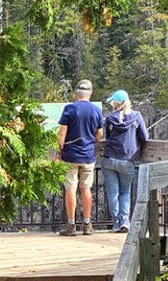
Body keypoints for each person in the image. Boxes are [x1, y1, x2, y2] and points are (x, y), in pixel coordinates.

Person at [57, 80, 104, 233]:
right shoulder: (96, 110)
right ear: (90, 93)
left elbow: (62, 133)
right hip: (88, 155)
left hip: (70, 155)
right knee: (86, 188)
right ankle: (87, 224)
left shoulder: (70, 108)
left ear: (77, 93)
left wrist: (59, 151)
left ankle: (71, 225)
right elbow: (99, 135)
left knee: (70, 188)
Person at [99, 91, 150, 230]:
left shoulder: (110, 118)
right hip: (127, 160)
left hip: (109, 159)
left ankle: (116, 223)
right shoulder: (136, 116)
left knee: (112, 193)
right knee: (125, 192)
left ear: (115, 103)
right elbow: (145, 137)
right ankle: (125, 222)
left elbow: (108, 137)